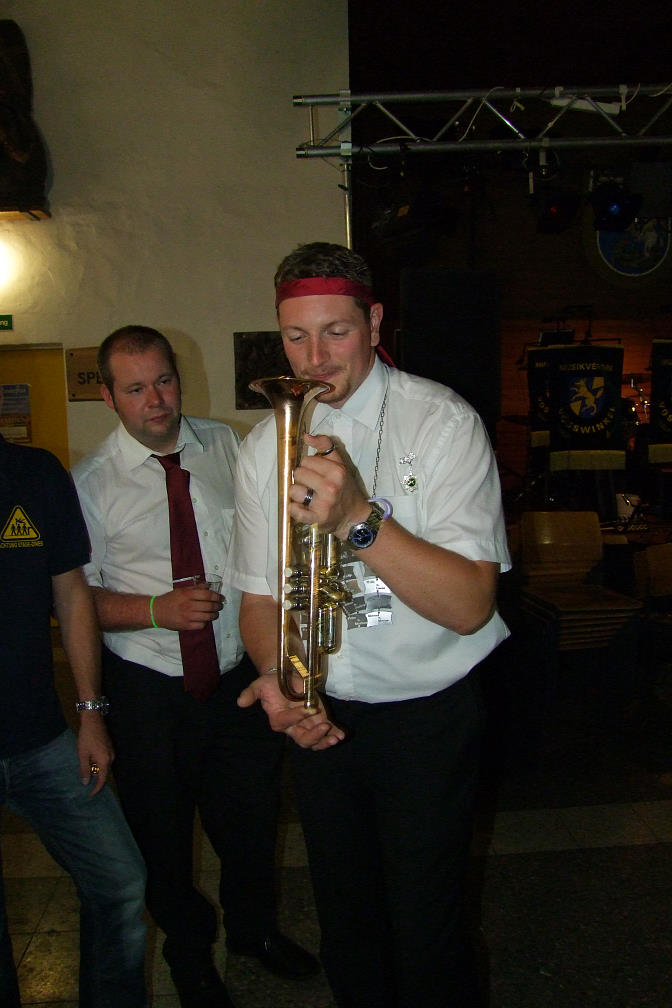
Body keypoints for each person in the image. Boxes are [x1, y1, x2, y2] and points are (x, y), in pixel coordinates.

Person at [227, 242, 512, 1008]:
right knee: (347, 931)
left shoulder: (441, 422)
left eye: (337, 332)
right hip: (323, 721)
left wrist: (357, 517)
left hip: (427, 721)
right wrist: (281, 679)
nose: (314, 358)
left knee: (429, 936)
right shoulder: (264, 447)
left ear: (375, 321)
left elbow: (470, 604)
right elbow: (260, 599)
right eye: (295, 337)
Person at [72, 326, 318, 1008]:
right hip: (148, 688)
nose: (155, 400)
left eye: (164, 381)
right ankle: (188, 958)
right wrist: (154, 609)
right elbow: (75, 599)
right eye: (135, 388)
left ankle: (253, 932)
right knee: (162, 837)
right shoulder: (89, 484)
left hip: (236, 676)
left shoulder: (225, 445)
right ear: (108, 396)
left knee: (251, 821)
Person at [0, 431, 148, 1008]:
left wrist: (90, 715)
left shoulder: (34, 473)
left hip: (41, 739)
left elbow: (71, 592)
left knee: (120, 881)